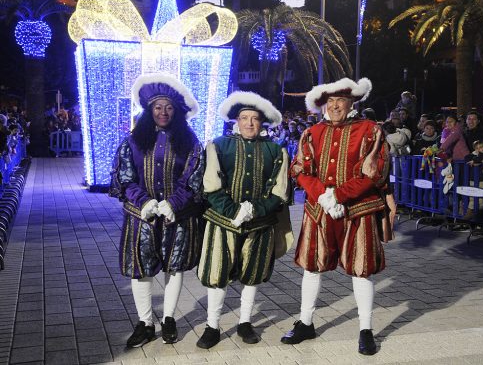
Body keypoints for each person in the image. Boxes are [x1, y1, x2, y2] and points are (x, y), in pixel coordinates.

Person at [280, 77, 395, 356]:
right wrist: (322, 195)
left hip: (358, 210)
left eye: (340, 101)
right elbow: (299, 169)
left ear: (351, 102)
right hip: (319, 210)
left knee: (361, 269)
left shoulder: (370, 130)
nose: (334, 106)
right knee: (311, 267)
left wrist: (339, 196)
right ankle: (306, 322)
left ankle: (365, 330)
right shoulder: (312, 133)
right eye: (330, 102)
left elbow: (375, 172)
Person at [109, 73, 205, 348]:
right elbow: (124, 178)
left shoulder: (190, 142)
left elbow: (193, 176)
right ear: (149, 110)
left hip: (178, 216)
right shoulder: (132, 141)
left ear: (176, 111)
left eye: (169, 107)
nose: (163, 112)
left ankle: (170, 319)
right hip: (142, 218)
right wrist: (145, 202)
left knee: (174, 268)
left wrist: (173, 203)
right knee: (141, 270)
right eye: (157, 107)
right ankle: (145, 322)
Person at [196, 91, 292, 349]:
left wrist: (256, 210)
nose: (249, 123)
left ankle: (245, 322)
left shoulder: (276, 150)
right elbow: (210, 185)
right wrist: (233, 211)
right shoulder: (218, 145)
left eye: (255, 118)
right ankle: (212, 326)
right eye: (244, 117)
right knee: (217, 273)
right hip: (222, 222)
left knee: (253, 274)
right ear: (236, 121)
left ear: (262, 122)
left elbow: (280, 190)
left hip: (260, 224)